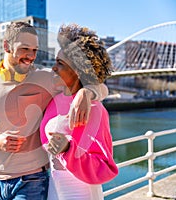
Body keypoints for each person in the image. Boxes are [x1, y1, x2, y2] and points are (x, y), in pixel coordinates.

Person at [0, 21, 108, 200]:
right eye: (25, 49)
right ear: (6, 46)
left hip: (32, 179)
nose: (31, 56)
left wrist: (87, 92)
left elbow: (100, 86)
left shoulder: (47, 78)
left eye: (35, 50)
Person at [40, 23, 119, 200]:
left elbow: (106, 166)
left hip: (81, 192)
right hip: (54, 190)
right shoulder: (54, 99)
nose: (53, 68)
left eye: (60, 63)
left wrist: (68, 149)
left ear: (77, 71)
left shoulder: (94, 108)